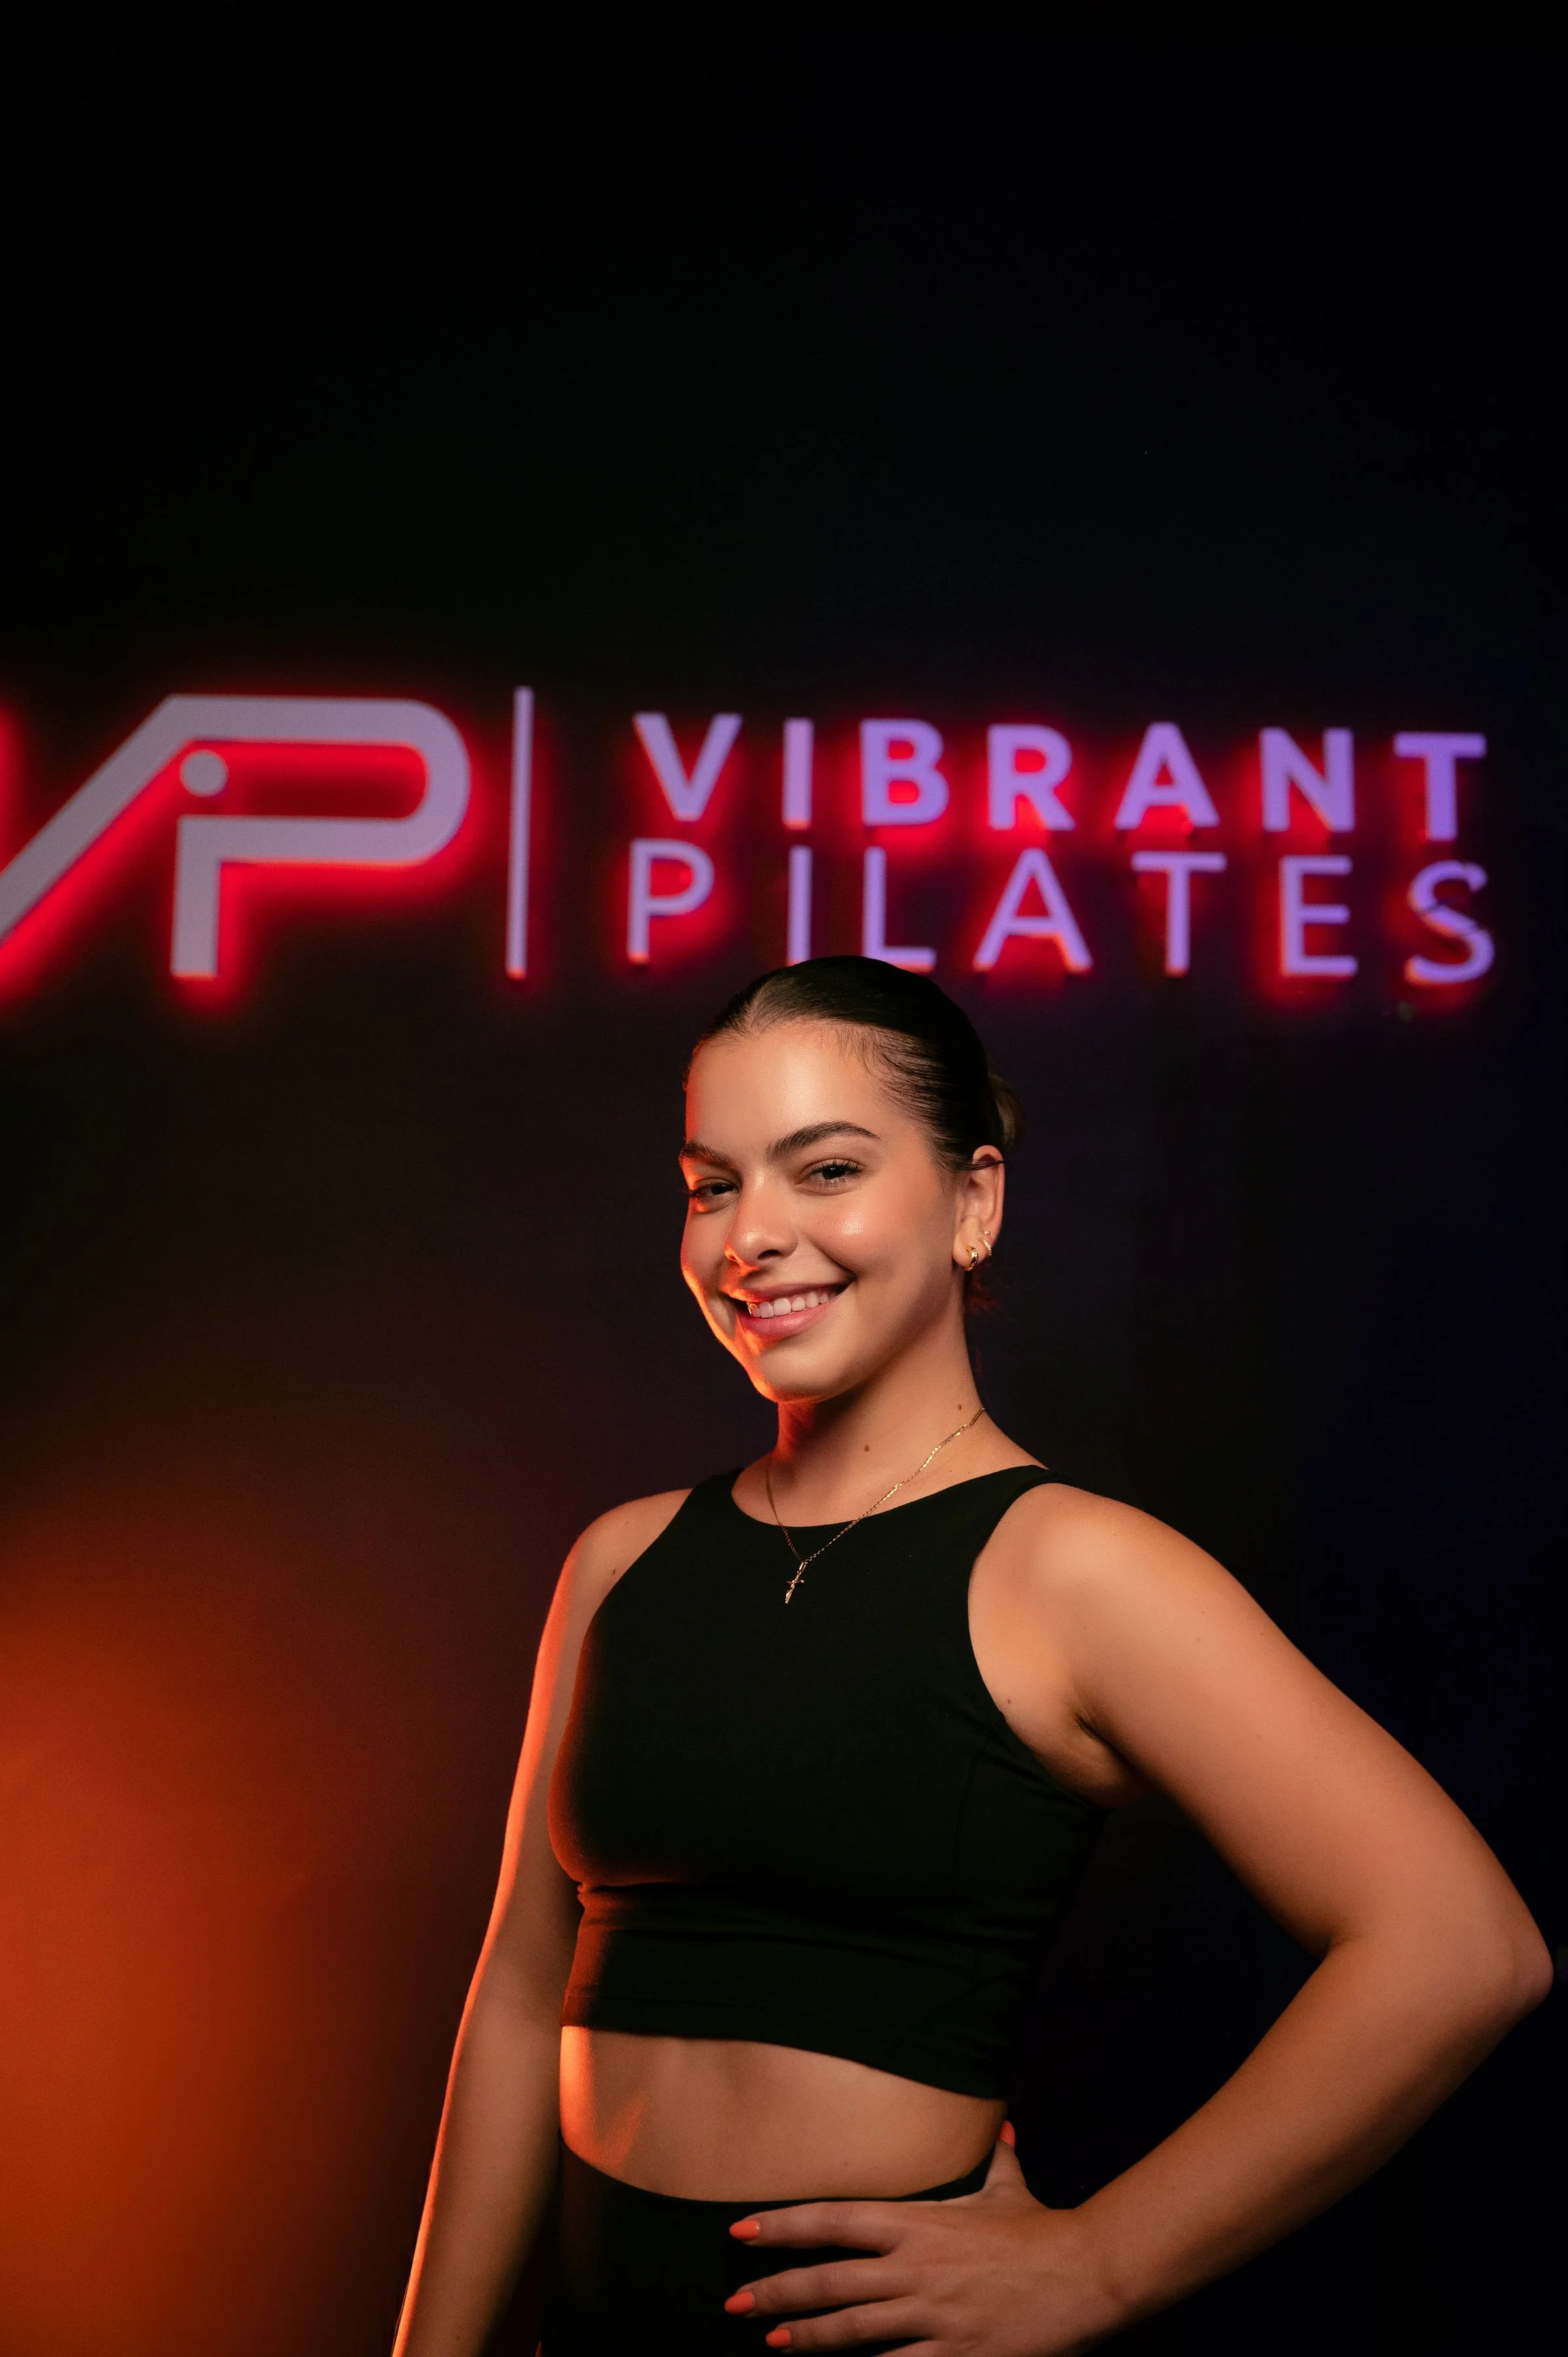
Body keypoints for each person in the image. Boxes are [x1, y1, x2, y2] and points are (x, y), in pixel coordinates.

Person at [392, 955, 1548, 2356]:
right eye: (712, 1184)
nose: (750, 1234)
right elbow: (520, 1994)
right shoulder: (618, 1562)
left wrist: (1100, 2266)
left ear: (974, 1204)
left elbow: (1458, 1947)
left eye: (824, 1171)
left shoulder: (1075, 1568)